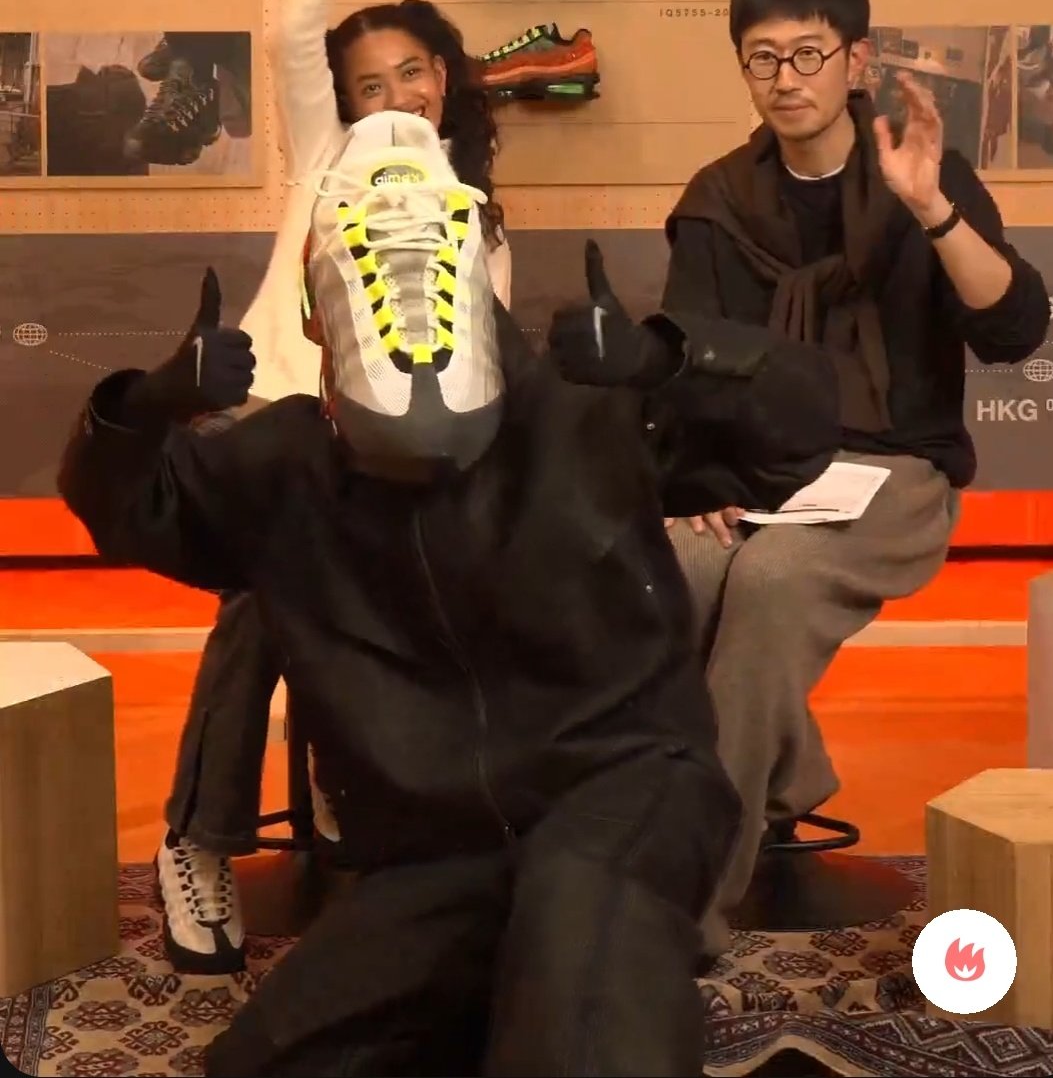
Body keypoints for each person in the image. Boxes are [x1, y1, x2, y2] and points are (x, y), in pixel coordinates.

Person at [55, 105, 816, 1077]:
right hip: (437, 849)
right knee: (270, 1061)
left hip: (621, 792)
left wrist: (669, 363)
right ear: (318, 302)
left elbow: (797, 431)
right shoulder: (282, 466)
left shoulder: (582, 410)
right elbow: (129, 509)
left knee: (577, 1003)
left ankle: (575, 1005)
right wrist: (144, 407)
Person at [549, 0, 1049, 923]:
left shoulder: (920, 176)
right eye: (762, 57)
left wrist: (933, 210)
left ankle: (688, 894)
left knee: (773, 580)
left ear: (855, 60)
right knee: (672, 570)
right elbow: (692, 367)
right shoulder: (718, 199)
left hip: (895, 468)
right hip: (759, 469)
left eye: (808, 54)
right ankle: (763, 779)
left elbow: (1013, 330)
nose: (786, 78)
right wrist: (697, 486)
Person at [156, 0, 510, 975]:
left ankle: (357, 780)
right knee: (272, 581)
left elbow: (484, 372)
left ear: (443, 78)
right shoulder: (327, 160)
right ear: (342, 103)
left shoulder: (476, 211)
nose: (395, 96)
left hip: (393, 464)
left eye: (412, 73)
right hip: (272, 434)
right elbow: (289, 29)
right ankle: (199, 840)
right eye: (369, 84)